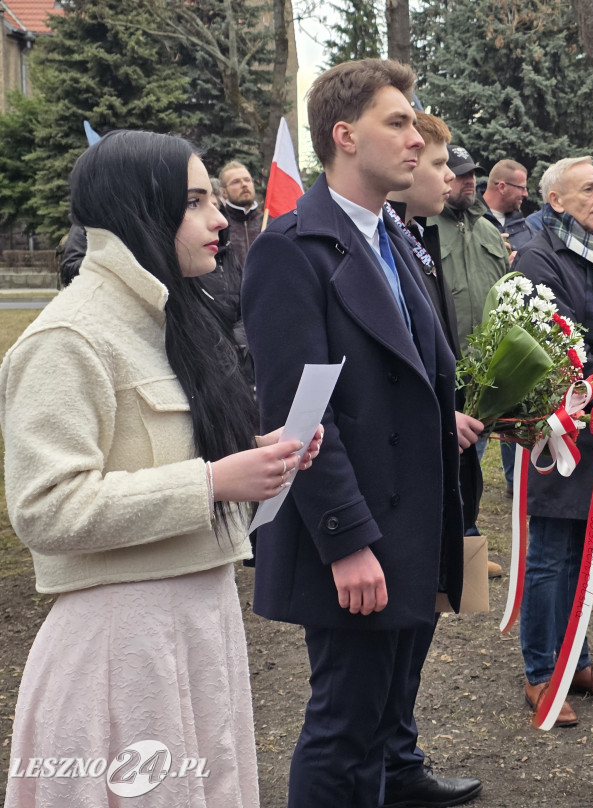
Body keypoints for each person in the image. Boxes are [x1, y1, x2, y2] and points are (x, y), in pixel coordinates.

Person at [0, 130, 321, 807]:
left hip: (198, 622)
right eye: (196, 202)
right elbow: (45, 508)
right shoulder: (68, 338)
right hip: (121, 645)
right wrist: (212, 483)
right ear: (139, 210)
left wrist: (261, 454)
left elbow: (167, 451)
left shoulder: (172, 320)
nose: (219, 222)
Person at [241, 59, 466, 808]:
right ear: (344, 135)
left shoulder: (393, 237)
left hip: (407, 527)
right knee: (343, 732)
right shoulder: (290, 248)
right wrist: (346, 541)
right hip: (357, 534)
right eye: (396, 122)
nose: (415, 139)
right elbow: (300, 415)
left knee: (375, 729)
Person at [513, 155, 593, 728]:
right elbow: (563, 347)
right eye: (588, 189)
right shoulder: (542, 257)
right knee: (551, 552)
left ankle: (578, 661)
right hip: (563, 430)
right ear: (556, 201)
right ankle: (541, 672)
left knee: (583, 551)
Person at [380, 110, 484, 808]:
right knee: (375, 661)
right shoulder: (375, 241)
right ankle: (388, 761)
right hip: (395, 476)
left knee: (417, 629)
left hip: (440, 457)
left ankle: (398, 758)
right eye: (441, 165)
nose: (448, 177)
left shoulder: (409, 238)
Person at [431, 145, 509, 353]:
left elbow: (508, 297)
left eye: (472, 174)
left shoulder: (490, 231)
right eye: (460, 175)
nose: (470, 180)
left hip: (491, 368)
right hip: (447, 363)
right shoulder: (423, 227)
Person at [482, 159, 533, 252]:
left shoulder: (524, 226)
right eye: (522, 188)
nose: (526, 194)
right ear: (502, 187)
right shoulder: (470, 220)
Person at [220, 160, 263, 265]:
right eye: (236, 182)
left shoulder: (270, 221)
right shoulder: (219, 224)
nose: (244, 184)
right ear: (224, 192)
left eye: (247, 180)